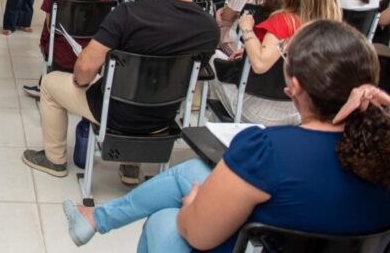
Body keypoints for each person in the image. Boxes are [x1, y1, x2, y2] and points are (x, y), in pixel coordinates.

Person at [62, 20, 390, 253]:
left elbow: (198, 235)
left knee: (164, 220)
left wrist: (192, 207)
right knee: (192, 171)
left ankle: (97, 218)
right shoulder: (381, 150)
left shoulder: (265, 150)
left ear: (294, 88)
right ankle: (95, 218)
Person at [21, 0, 219, 180]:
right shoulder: (209, 28)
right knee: (148, 87)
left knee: (50, 84)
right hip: (164, 119)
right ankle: (131, 167)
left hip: (115, 113)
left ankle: (55, 159)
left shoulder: (130, 14)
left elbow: (85, 67)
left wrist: (82, 84)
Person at [212, 0, 342, 125]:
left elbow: (260, 64)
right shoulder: (330, 26)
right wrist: (247, 54)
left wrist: (246, 29)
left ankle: (218, 129)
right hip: (304, 110)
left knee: (212, 57)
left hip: (264, 111)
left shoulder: (286, 21)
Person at [22, 0, 109, 99]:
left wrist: (44, 43)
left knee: (49, 36)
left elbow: (50, 25)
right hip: (91, 53)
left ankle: (44, 84)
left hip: (61, 52)